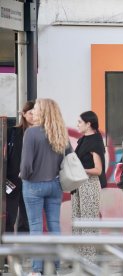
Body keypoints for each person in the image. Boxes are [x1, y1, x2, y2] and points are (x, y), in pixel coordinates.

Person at [20, 98, 68, 275]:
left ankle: (36, 269)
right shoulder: (61, 132)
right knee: (54, 226)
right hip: (55, 184)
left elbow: (26, 165)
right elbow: (67, 159)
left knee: (36, 227)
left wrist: (23, 176)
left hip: (33, 185)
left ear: (43, 112)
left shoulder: (32, 133)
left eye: (37, 109)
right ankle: (56, 266)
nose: (34, 112)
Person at [72, 111, 106, 263]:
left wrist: (79, 170)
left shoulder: (95, 141)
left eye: (79, 122)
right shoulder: (83, 139)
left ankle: (90, 259)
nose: (77, 125)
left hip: (89, 184)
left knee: (88, 222)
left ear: (88, 124)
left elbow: (98, 170)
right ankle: (80, 258)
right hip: (78, 184)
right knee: (78, 221)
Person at [6, 101, 34, 233]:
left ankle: (25, 251)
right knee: (8, 218)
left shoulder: (40, 134)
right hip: (11, 181)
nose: (33, 115)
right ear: (23, 114)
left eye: (36, 113)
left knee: (27, 219)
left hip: (31, 181)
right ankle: (6, 251)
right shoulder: (12, 132)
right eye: (30, 113)